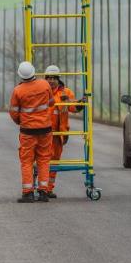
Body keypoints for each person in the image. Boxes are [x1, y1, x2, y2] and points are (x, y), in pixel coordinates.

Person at [9, 61, 54, 203]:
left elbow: (14, 112)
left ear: (20, 75)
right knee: (44, 159)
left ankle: (28, 193)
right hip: (45, 129)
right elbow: (51, 102)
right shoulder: (45, 85)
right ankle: (43, 192)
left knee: (27, 161)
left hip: (27, 131)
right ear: (34, 71)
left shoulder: (18, 91)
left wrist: (21, 121)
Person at [44, 65, 81, 198]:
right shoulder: (41, 91)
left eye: (54, 78)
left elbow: (73, 107)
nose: (51, 80)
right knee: (43, 160)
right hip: (43, 133)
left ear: (58, 79)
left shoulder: (66, 93)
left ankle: (48, 188)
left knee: (54, 161)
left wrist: (80, 104)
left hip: (59, 134)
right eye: (49, 78)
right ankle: (41, 187)